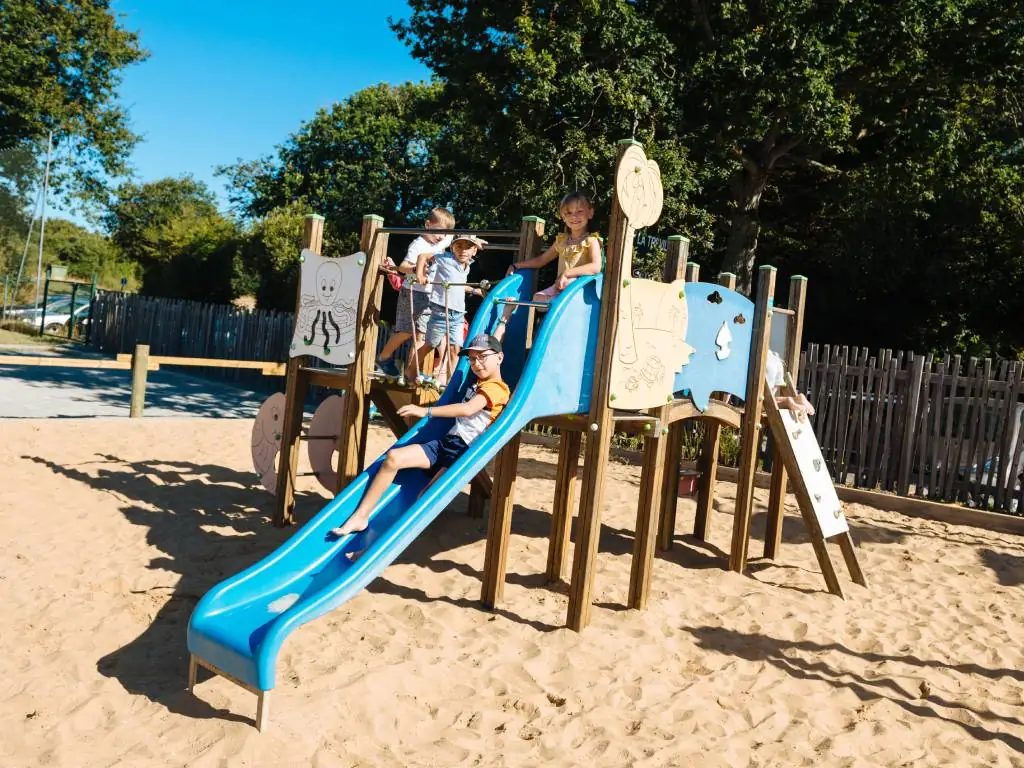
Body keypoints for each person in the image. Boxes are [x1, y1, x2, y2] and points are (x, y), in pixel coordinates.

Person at [331, 334, 510, 537]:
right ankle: (360, 517)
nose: (476, 364)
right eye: (471, 359)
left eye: (482, 357)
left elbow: (468, 409)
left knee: (424, 499)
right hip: (445, 443)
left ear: (500, 357)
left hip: (461, 454)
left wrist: (426, 411)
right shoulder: (478, 383)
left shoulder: (497, 388)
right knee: (393, 458)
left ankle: (372, 548)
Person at [493, 190, 602, 341]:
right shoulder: (562, 241)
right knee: (537, 298)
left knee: (563, 292)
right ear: (563, 216)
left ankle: (560, 305)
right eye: (568, 213)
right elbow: (541, 260)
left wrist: (568, 273)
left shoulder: (591, 241)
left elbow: (596, 266)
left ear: (590, 213)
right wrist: (517, 265)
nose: (574, 216)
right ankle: (556, 308)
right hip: (561, 286)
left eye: (579, 211)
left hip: (578, 289)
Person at [376, 207, 456, 378]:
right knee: (406, 331)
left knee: (422, 335)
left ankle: (412, 372)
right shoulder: (418, 244)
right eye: (438, 231)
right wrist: (416, 269)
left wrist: (473, 239)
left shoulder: (440, 241)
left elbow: (451, 236)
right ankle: (384, 357)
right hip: (412, 292)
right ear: (427, 225)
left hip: (429, 296)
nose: (441, 236)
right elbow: (403, 267)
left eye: (444, 233)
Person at [420, 234, 488, 387]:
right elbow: (423, 256)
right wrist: (420, 274)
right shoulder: (446, 259)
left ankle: (451, 382)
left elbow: (458, 284)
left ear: (474, 251)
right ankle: (412, 370)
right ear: (452, 248)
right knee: (430, 344)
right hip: (441, 310)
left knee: (455, 348)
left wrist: (475, 291)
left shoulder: (466, 265)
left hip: (458, 313)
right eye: (459, 246)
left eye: (468, 247)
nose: (463, 250)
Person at [765, 350, 815, 419]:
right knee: (770, 399)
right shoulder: (771, 354)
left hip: (767, 369)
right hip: (776, 363)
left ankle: (787, 403)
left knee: (765, 404)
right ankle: (795, 399)